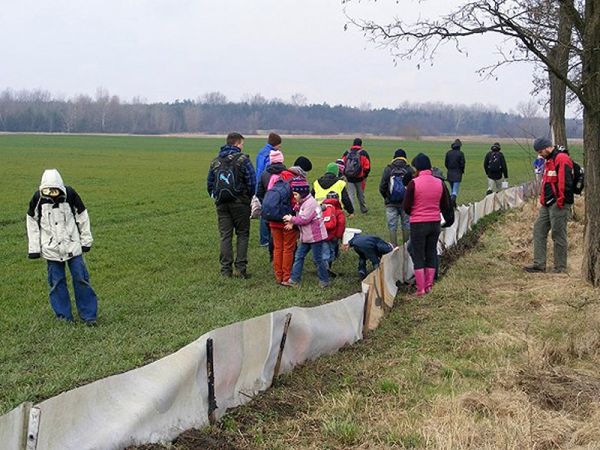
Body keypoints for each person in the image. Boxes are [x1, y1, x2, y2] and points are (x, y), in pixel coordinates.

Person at [26, 169, 98, 325]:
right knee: (57, 282)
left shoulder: (70, 195)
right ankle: (64, 317)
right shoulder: (38, 199)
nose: (52, 193)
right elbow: (32, 222)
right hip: (51, 250)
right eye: (48, 190)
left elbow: (82, 216)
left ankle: (89, 316)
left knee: (81, 279)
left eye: (55, 189)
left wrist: (86, 240)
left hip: (73, 247)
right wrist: (34, 249)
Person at [207, 132, 256, 278]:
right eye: (241, 144)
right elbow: (252, 181)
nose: (242, 146)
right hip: (240, 203)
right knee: (242, 234)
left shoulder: (215, 161)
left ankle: (225, 270)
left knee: (225, 236)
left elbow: (209, 184)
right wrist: (248, 197)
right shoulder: (243, 160)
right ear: (236, 143)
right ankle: (240, 269)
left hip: (222, 204)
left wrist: (216, 196)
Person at [403, 153, 453, 296]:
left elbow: (406, 206)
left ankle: (421, 289)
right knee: (431, 252)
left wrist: (415, 211)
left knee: (419, 255)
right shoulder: (439, 183)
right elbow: (445, 205)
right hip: (435, 223)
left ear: (418, 168)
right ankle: (430, 285)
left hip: (418, 224)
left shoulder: (414, 183)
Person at [524, 137, 574, 274]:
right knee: (538, 229)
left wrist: (561, 201)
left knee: (558, 234)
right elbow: (546, 181)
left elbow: (565, 182)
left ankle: (560, 267)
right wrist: (543, 200)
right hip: (547, 203)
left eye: (541, 151)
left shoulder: (562, 159)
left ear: (547, 147)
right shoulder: (548, 160)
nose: (540, 154)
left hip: (559, 203)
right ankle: (539, 264)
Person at [256, 149, 297, 284]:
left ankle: (278, 276)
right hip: (286, 220)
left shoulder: (266, 175)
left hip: (272, 218)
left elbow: (260, 193)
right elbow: (294, 202)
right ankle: (286, 277)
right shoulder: (291, 181)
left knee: (277, 248)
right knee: (288, 248)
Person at [282, 178, 330, 288]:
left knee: (318, 259)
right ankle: (294, 280)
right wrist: (293, 224)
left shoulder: (311, 203)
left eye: (295, 194)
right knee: (299, 256)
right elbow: (300, 216)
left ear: (302, 193)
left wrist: (291, 219)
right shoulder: (302, 203)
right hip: (306, 237)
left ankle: (324, 280)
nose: (294, 197)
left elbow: (304, 219)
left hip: (315, 236)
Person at [379, 148, 414, 246]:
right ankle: (406, 247)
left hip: (391, 203)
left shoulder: (388, 169)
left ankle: (394, 247)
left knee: (392, 226)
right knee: (406, 224)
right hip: (406, 203)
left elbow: (382, 186)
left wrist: (387, 197)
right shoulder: (409, 169)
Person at [255, 133, 282, 247]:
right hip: (268, 184)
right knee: (269, 212)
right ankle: (267, 239)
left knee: (263, 212)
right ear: (276, 144)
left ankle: (264, 239)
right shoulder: (271, 154)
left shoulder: (261, 152)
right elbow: (269, 170)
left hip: (260, 182)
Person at [341, 138, 371, 213]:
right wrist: (364, 175)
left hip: (349, 177)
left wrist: (345, 174)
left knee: (351, 194)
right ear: (361, 144)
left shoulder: (347, 152)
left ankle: (351, 210)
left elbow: (342, 164)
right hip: (360, 178)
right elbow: (367, 166)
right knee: (360, 194)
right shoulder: (363, 153)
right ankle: (363, 209)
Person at [321, 191, 346, 277]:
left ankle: (324, 267)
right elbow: (341, 224)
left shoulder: (322, 208)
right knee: (330, 251)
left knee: (324, 251)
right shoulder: (339, 211)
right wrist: (338, 236)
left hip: (322, 235)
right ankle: (326, 269)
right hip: (333, 236)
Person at [445, 138, 466, 205]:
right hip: (457, 173)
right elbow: (462, 164)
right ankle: (452, 202)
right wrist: (462, 171)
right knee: (455, 190)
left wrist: (449, 169)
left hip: (450, 173)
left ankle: (452, 203)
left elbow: (446, 163)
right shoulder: (461, 153)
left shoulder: (448, 153)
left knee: (452, 189)